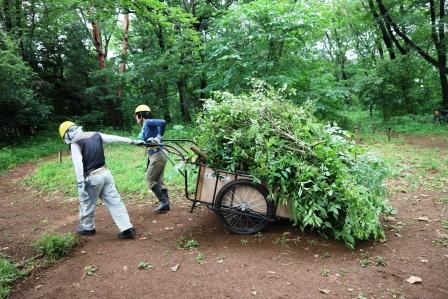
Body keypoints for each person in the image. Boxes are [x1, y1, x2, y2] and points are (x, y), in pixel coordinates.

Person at [59, 121, 143, 239]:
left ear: (67, 135)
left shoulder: (74, 143)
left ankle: (87, 227)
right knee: (115, 202)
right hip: (106, 173)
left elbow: (78, 165)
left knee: (86, 202)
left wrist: (80, 183)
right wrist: (132, 141)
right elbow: (115, 138)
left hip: (92, 177)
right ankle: (127, 228)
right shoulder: (95, 134)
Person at [134, 104, 170, 213]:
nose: (136, 119)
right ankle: (166, 204)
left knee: (150, 180)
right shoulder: (145, 125)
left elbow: (163, 122)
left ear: (140, 115)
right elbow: (147, 140)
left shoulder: (148, 122)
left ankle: (164, 202)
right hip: (157, 155)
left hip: (157, 155)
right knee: (159, 181)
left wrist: (159, 138)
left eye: (136, 116)